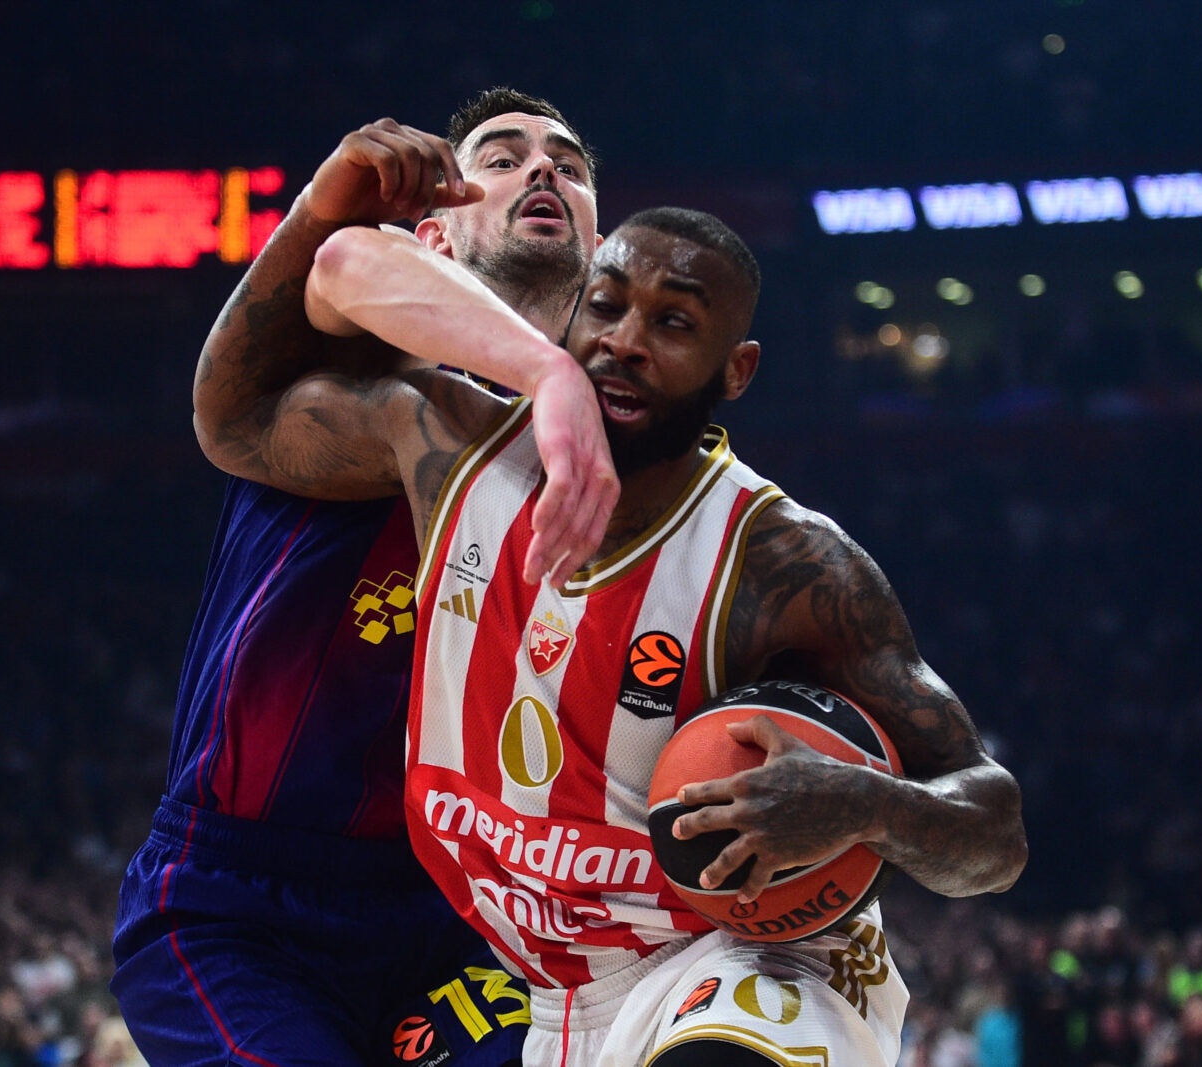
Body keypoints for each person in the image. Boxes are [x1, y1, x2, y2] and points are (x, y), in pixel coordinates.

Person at [298, 206, 1028, 1065]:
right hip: (552, 994)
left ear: (736, 368)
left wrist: (865, 802)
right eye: (606, 307)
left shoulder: (787, 564)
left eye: (674, 322)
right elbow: (231, 410)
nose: (627, 342)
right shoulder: (452, 451)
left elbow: (996, 834)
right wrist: (322, 208)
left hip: (750, 957)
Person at [110, 88, 618, 1067]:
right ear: (435, 234)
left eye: (568, 163)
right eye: (502, 157)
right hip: (247, 907)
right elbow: (349, 261)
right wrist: (547, 374)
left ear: (600, 250)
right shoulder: (358, 364)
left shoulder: (623, 444)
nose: (543, 168)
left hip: (468, 901)